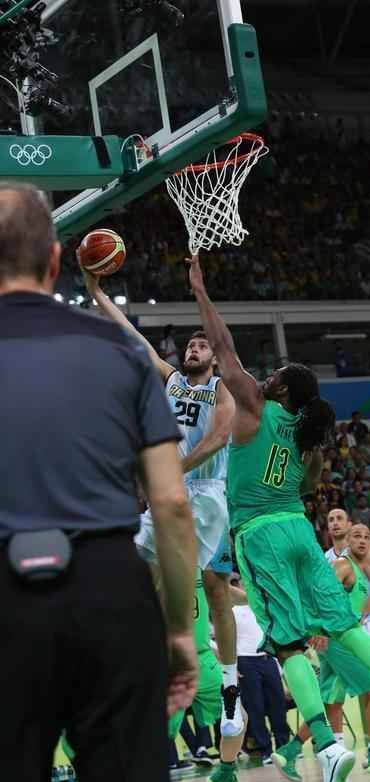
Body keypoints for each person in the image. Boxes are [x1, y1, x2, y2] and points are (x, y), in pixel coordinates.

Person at [188, 254, 370, 782]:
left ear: (283, 390)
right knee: (343, 627)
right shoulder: (303, 434)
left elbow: (222, 344)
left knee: (287, 646)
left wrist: (199, 288)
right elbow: (310, 486)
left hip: (260, 534)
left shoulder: (257, 405)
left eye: (277, 376)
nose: (267, 376)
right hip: (299, 530)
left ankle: (331, 750)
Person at [0, 182, 198, 782]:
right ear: (56, 258)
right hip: (108, 590)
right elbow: (170, 503)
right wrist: (179, 630)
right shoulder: (118, 351)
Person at [84, 268, 243, 736]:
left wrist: (180, 467)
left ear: (213, 358)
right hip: (168, 497)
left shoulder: (220, 388)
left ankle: (227, 686)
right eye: (190, 346)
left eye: (201, 346)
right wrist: (96, 292)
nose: (193, 349)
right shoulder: (172, 381)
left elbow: (220, 437)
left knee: (213, 591)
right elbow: (133, 338)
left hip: (206, 497)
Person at [274, 524, 370, 780]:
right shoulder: (342, 565)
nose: (362, 540)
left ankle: (289, 751)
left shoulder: (360, 570)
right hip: (337, 640)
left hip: (334, 640)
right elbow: (317, 594)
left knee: (330, 700)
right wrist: (318, 629)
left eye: (367, 537)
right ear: (347, 541)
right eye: (357, 536)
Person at [168, 569, 251, 782]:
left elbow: (223, 593)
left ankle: (225, 773)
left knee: (239, 718)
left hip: (203, 658)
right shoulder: (151, 558)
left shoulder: (199, 563)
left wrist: (257, 595)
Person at [232, 579, 290, 765]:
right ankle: (266, 751)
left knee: (278, 704)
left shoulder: (266, 608)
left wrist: (280, 665)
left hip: (268, 658)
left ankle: (284, 748)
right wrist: (233, 667)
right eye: (244, 585)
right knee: (255, 707)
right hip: (246, 660)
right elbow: (229, 640)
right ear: (239, 588)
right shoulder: (234, 611)